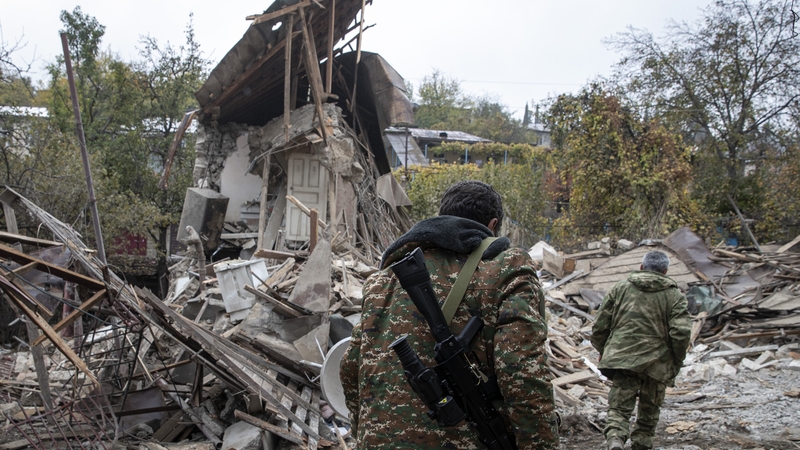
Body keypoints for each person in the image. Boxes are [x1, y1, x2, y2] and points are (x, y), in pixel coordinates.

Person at [340, 180, 558, 449]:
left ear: (443, 216)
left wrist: (365, 434)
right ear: (492, 225)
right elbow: (523, 374)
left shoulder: (382, 282)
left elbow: (350, 370)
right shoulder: (506, 270)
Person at [591, 250, 691, 450]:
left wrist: (604, 350)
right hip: (657, 363)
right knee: (649, 411)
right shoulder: (675, 295)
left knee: (619, 408)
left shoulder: (620, 288)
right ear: (665, 271)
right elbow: (681, 333)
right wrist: (676, 360)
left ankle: (616, 439)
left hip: (623, 358)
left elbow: (600, 326)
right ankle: (642, 445)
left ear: (641, 267)